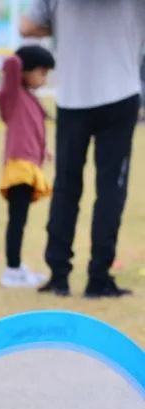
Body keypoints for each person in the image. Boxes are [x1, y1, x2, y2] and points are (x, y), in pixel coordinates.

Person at [22, 0, 144, 298]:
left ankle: (59, 275)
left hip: (73, 95)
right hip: (120, 92)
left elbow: (26, 26)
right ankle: (99, 277)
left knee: (66, 187)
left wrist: (67, 24)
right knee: (110, 190)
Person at [0, 45, 54, 290]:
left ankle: (17, 266)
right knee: (17, 220)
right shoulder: (13, 95)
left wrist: (43, 152)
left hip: (29, 165)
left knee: (22, 219)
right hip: (18, 167)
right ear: (26, 71)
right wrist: (20, 58)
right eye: (41, 72)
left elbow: (33, 131)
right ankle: (12, 269)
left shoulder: (30, 99)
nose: (44, 78)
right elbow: (11, 65)